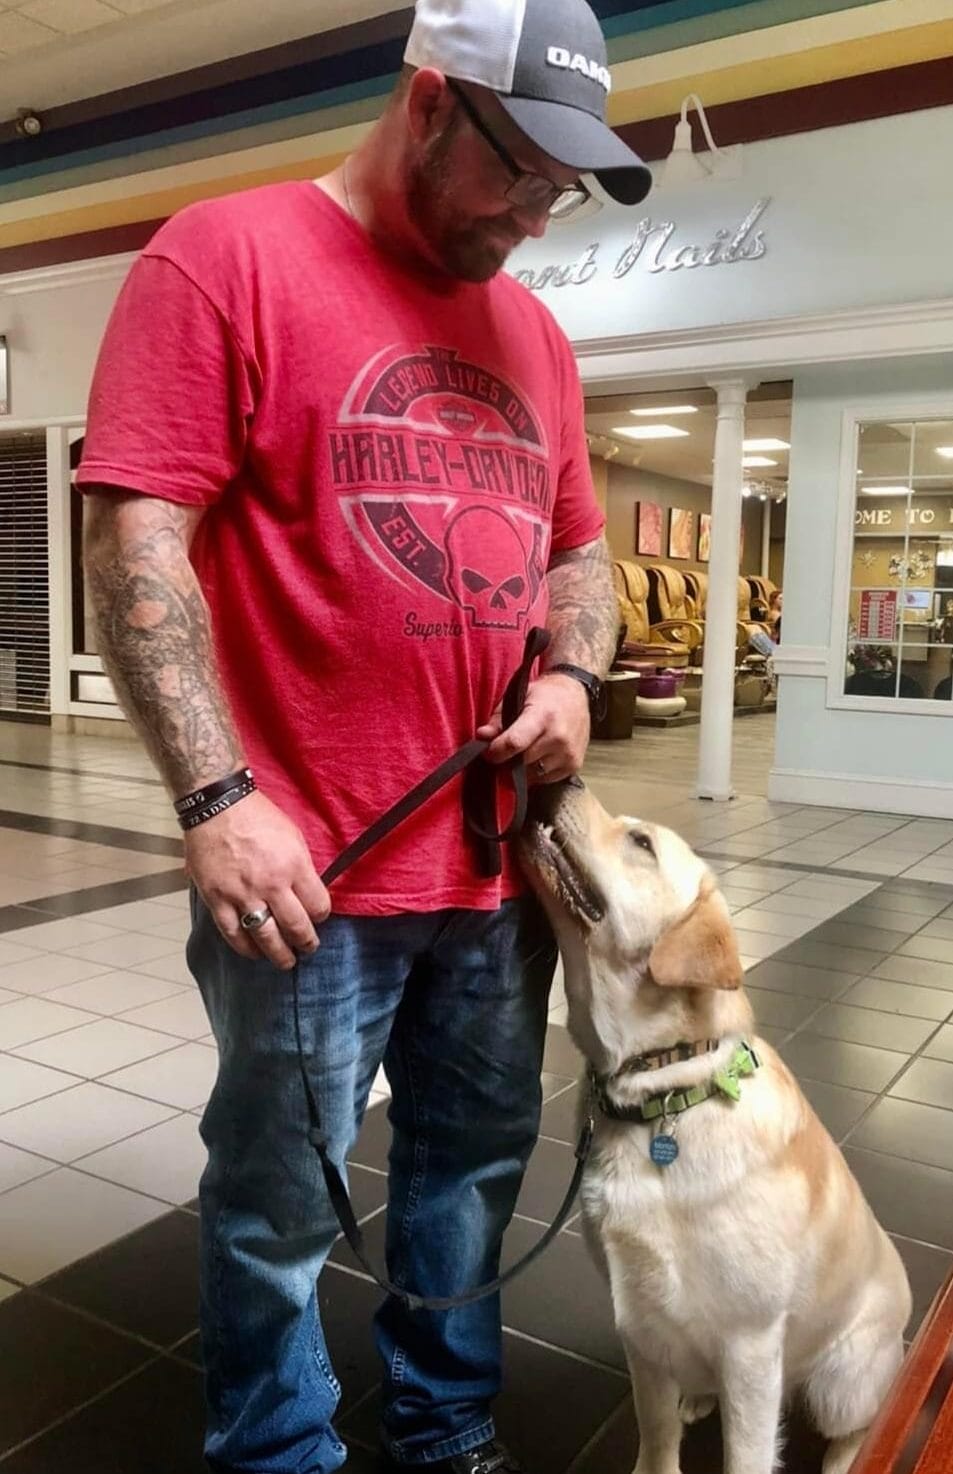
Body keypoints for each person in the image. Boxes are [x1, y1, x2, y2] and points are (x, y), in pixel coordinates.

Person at [78, 2, 651, 1470]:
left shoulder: (532, 330)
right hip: (305, 880)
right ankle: (276, 1447)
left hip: (487, 872)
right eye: (519, 169)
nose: (534, 214)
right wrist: (215, 792)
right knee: (278, 1194)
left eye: (562, 188)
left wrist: (576, 680)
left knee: (468, 1161)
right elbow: (138, 537)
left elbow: (577, 549)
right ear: (427, 100)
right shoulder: (225, 256)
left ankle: (445, 1419)